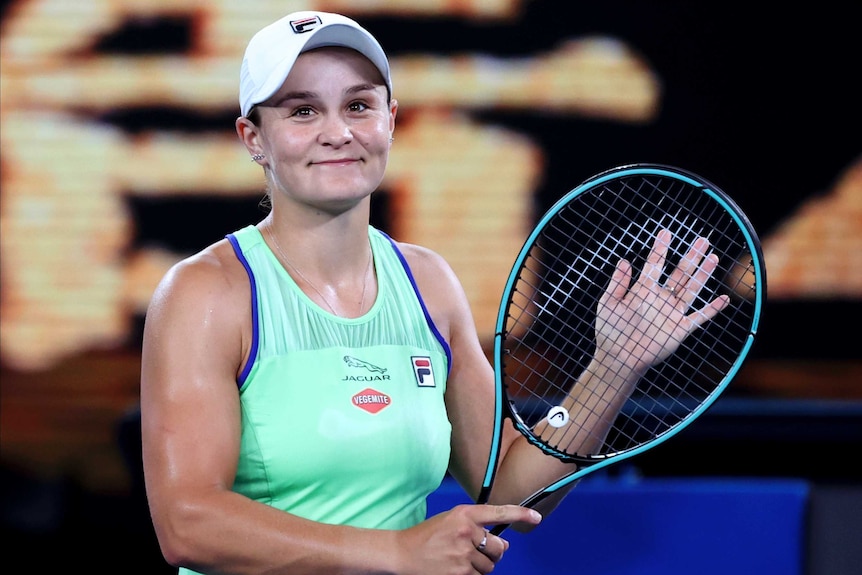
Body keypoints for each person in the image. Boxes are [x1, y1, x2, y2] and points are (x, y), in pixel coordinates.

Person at [140, 10, 728, 575]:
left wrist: (612, 366)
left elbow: (509, 490)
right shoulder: (204, 293)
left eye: (359, 105)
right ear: (253, 136)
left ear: (390, 120)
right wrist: (396, 552)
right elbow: (187, 524)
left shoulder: (428, 281)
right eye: (301, 111)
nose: (338, 132)